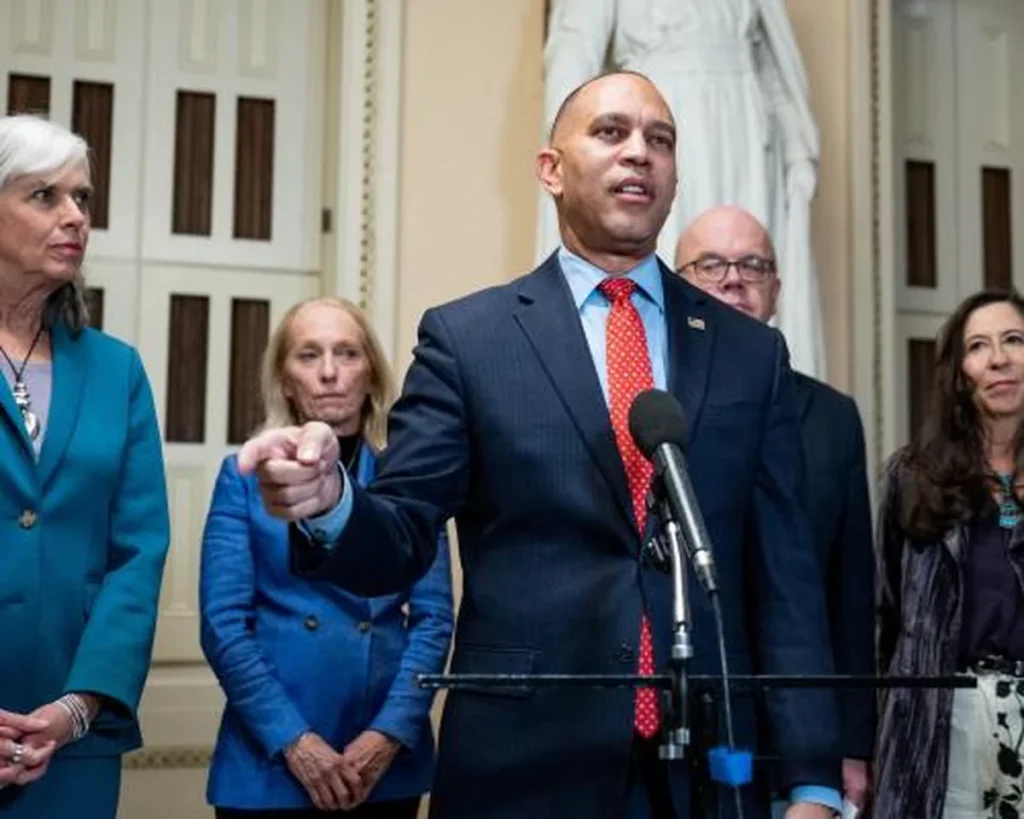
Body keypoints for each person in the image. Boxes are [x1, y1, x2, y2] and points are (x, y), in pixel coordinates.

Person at [239, 71, 841, 819]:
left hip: (709, 768)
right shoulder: (470, 339)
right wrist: (330, 501)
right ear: (551, 169)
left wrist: (814, 779)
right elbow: (400, 534)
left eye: (659, 140)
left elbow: (787, 580)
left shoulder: (750, 352)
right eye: (611, 132)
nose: (639, 153)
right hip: (524, 761)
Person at [200, 296, 454, 819]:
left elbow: (434, 620)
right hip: (270, 761)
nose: (330, 373)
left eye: (348, 353)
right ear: (285, 380)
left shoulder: (410, 481)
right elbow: (223, 624)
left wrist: (388, 733)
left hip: (383, 764)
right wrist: (295, 741)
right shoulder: (244, 479)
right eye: (309, 355)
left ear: (372, 374)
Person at [674, 206, 876, 815]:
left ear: (776, 290)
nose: (734, 280)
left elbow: (849, 593)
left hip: (801, 735)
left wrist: (849, 745)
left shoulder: (833, 418)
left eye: (753, 265)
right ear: (678, 287)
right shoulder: (654, 408)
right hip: (685, 720)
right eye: (711, 265)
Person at [0, 114, 170, 817]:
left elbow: (139, 551)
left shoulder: (116, 370)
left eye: (83, 197)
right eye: (45, 196)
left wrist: (79, 706)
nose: (74, 216)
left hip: (72, 740)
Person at [538, 0, 827, 379]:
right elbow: (575, 49)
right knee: (665, 266)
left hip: (744, 129)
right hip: (665, 110)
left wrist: (798, 147)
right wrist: (569, 149)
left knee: (743, 265)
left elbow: (773, 66)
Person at [875, 290, 1024, 819]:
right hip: (941, 720)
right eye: (978, 346)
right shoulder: (914, 477)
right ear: (959, 373)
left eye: (1014, 340)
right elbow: (885, 617)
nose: (999, 359)